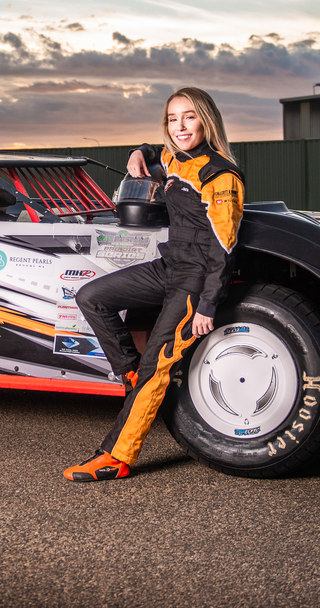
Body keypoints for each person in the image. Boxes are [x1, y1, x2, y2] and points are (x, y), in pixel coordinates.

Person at [64, 87, 245, 481]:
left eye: (189, 117)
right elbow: (152, 152)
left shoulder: (221, 174)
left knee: (156, 368)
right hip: (168, 266)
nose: (180, 127)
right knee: (92, 296)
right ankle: (131, 374)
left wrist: (208, 305)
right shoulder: (172, 159)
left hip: (194, 282)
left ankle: (116, 456)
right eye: (172, 119)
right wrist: (139, 152)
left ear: (206, 120)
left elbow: (224, 247)